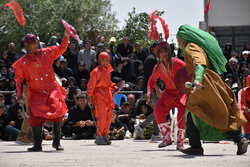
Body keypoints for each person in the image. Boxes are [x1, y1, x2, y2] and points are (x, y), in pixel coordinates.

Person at [177, 24, 248, 155]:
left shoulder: (191, 46)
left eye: (178, 38)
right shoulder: (197, 46)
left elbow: (199, 63)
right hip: (210, 80)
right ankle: (237, 139)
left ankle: (198, 146)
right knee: (215, 111)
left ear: (184, 37)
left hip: (204, 82)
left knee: (195, 111)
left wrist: (198, 79)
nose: (178, 42)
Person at [12, 29, 70, 151]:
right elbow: (18, 80)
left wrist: (65, 36)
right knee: (35, 117)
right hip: (36, 91)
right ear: (26, 45)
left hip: (52, 88)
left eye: (36, 42)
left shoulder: (47, 53)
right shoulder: (22, 62)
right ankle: (37, 144)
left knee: (58, 112)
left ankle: (57, 142)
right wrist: (19, 94)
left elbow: (62, 49)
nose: (36, 45)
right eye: (33, 42)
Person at [146, 41, 187, 150]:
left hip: (181, 93)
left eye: (166, 51)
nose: (164, 54)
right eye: (161, 51)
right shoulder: (158, 67)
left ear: (170, 52)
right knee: (158, 109)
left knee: (182, 114)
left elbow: (189, 76)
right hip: (169, 92)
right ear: (158, 53)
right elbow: (151, 81)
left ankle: (180, 141)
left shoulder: (179, 63)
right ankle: (167, 138)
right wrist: (150, 92)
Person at [87, 52, 117, 145]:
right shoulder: (96, 71)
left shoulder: (107, 69)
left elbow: (108, 82)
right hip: (99, 95)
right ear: (99, 60)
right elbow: (91, 85)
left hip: (107, 94)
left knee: (109, 116)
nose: (105, 62)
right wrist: (89, 97)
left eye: (107, 60)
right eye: (103, 60)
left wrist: (113, 86)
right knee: (102, 116)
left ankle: (105, 135)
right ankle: (99, 136)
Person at [240, 75, 250, 140]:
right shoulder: (244, 91)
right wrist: (245, 109)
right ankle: (247, 134)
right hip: (247, 110)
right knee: (242, 114)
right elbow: (242, 103)